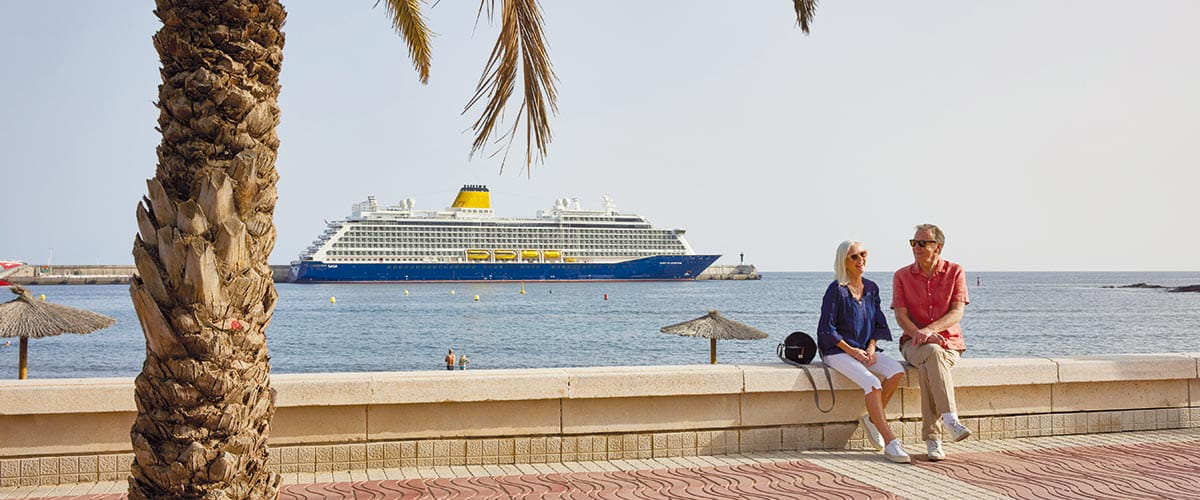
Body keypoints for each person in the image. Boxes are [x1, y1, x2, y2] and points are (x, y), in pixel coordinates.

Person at [817, 240, 910, 463]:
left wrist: (869, 348)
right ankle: (890, 441)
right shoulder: (836, 290)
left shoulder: (871, 288)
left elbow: (879, 323)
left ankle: (872, 420)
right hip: (837, 351)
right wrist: (853, 351)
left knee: (896, 371)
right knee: (873, 383)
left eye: (863, 254)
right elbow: (826, 329)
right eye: (854, 257)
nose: (861, 260)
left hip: (864, 348)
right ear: (844, 262)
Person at [892, 224, 972, 462]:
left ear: (938, 247)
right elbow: (900, 316)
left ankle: (933, 440)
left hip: (949, 344)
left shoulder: (955, 271)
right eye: (913, 243)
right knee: (931, 353)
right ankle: (950, 420)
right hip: (912, 343)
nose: (916, 247)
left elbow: (957, 312)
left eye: (922, 243)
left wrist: (931, 330)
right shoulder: (902, 275)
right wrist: (921, 334)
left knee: (931, 362)